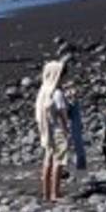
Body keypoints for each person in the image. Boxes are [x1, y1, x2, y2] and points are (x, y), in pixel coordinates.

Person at [35, 59, 72, 202]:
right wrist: (66, 130)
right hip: (57, 130)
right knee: (59, 161)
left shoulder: (44, 90)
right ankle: (55, 194)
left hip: (46, 130)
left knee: (47, 160)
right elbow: (63, 114)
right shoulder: (57, 93)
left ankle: (46, 193)